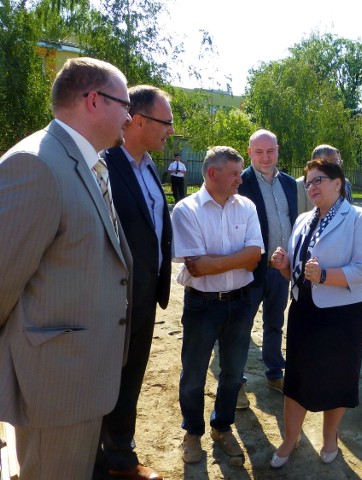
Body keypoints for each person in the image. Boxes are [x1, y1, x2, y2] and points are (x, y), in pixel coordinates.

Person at [0, 57, 133, 478]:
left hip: (81, 377)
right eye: (124, 104)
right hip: (54, 385)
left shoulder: (89, 161)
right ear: (94, 100)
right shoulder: (36, 164)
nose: (129, 115)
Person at [269, 158, 362, 468]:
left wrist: (326, 275)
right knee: (297, 379)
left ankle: (331, 439)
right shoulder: (303, 219)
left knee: (337, 379)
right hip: (304, 311)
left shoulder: (358, 217)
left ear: (338, 183)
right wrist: (284, 266)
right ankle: (291, 439)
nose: (311, 186)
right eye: (309, 181)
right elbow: (299, 272)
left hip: (342, 315)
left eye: (319, 180)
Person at [97, 85, 174, 480]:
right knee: (103, 383)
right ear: (138, 120)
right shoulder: (103, 165)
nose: (171, 131)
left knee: (130, 381)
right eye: (167, 122)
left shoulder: (148, 167)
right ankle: (98, 461)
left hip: (144, 299)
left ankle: (119, 457)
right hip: (112, 302)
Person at [172, 147, 263, 465]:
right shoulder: (187, 210)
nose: (241, 179)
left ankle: (222, 427)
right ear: (213, 174)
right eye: (235, 173)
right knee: (194, 374)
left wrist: (216, 262)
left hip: (240, 304)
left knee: (234, 372)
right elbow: (196, 267)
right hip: (202, 306)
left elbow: (256, 256)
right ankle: (193, 432)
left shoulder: (246, 206)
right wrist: (239, 259)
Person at [238, 129, 297, 402]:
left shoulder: (288, 183)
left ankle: (274, 372)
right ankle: (235, 380)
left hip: (281, 271)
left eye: (270, 151)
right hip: (250, 271)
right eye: (259, 152)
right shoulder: (240, 182)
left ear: (278, 151)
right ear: (249, 152)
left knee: (275, 323)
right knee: (241, 326)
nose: (265, 157)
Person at [295, 145, 353, 214]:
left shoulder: (344, 183)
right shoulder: (300, 184)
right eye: (333, 161)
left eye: (338, 162)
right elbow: (298, 215)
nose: (337, 166)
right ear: (316, 161)